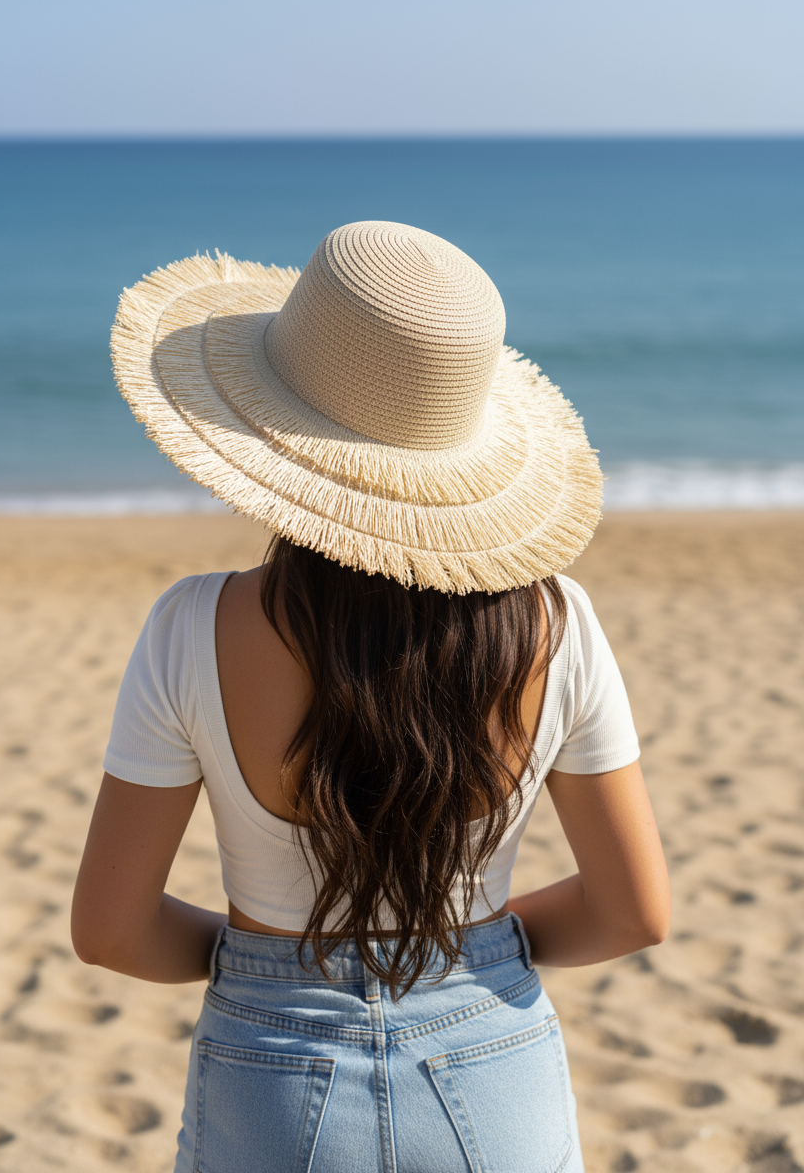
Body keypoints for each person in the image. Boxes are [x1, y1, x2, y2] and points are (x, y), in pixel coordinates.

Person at [72, 221, 670, 1172]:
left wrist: (262, 960)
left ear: (270, 430)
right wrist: (480, 949)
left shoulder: (193, 626)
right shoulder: (558, 626)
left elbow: (110, 931)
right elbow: (634, 912)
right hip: (494, 1071)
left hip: (271, 1071)